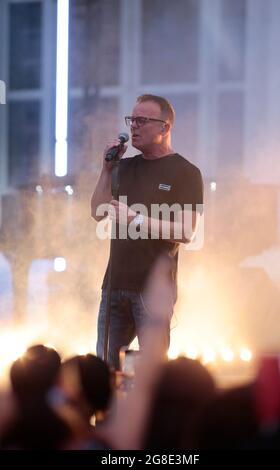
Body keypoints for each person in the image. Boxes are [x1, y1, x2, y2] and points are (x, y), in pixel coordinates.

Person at [91, 94, 203, 369]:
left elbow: (186, 231)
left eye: (142, 120)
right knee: (106, 369)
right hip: (114, 285)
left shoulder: (185, 172)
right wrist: (106, 171)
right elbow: (97, 212)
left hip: (154, 291)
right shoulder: (124, 167)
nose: (134, 127)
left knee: (150, 373)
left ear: (165, 127)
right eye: (132, 120)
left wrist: (135, 219)